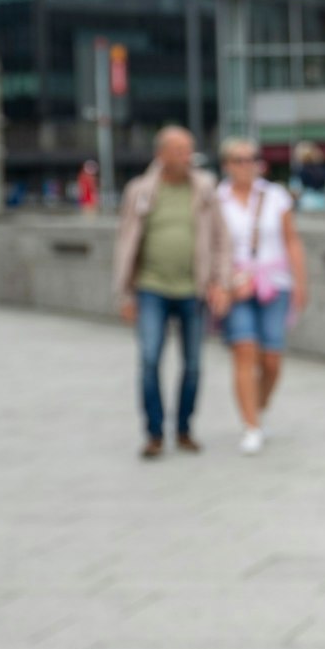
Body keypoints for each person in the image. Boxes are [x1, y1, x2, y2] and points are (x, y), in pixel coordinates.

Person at [112, 126, 231, 459]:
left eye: (189, 150)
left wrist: (220, 281)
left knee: (193, 364)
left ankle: (183, 429)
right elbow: (124, 242)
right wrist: (125, 295)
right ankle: (153, 433)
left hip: (194, 289)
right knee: (149, 360)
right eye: (179, 150)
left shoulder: (205, 188)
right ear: (161, 154)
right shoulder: (140, 190)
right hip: (151, 288)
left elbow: (222, 239)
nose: (186, 157)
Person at [216, 137, 307, 456]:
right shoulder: (217, 200)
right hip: (236, 285)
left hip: (275, 281)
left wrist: (301, 283)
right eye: (239, 159)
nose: (246, 165)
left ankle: (259, 406)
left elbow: (292, 240)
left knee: (271, 359)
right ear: (227, 164)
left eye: (252, 158)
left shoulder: (275, 196)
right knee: (244, 350)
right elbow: (212, 248)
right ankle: (251, 425)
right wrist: (220, 283)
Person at [291, 141, 325, 212]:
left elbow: (295, 190)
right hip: (323, 201)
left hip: (307, 202)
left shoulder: (300, 170)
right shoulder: (324, 169)